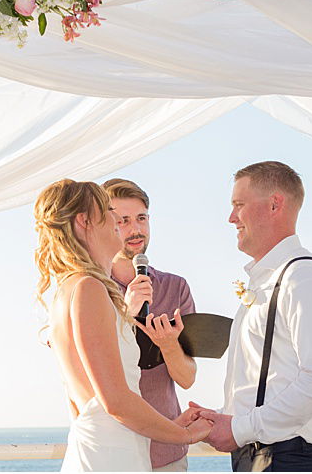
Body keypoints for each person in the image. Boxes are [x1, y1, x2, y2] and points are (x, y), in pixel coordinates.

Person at [33, 179, 212, 472]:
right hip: (110, 456)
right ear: (85, 221)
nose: (119, 223)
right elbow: (114, 401)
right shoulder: (89, 288)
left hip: (111, 448)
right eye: (110, 212)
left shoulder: (74, 286)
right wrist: (184, 435)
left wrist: (169, 426)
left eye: (139, 218)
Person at [192, 161, 312, 472]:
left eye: (239, 205)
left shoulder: (303, 278)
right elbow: (270, 379)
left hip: (290, 461)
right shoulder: (270, 279)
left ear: (275, 204)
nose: (231, 217)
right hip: (263, 458)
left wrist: (238, 429)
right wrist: (225, 416)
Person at [102, 178, 197, 472]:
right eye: (123, 220)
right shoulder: (90, 290)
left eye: (141, 218)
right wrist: (126, 313)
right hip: (114, 450)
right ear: (105, 225)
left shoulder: (175, 287)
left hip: (167, 452)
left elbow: (187, 378)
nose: (136, 230)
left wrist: (169, 346)